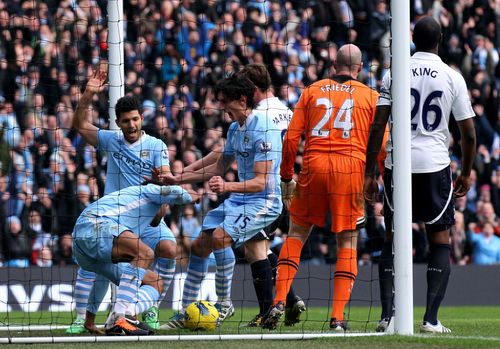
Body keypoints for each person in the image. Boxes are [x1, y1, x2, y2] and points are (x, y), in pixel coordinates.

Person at [363, 16, 476, 334]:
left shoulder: (394, 72)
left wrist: (371, 171)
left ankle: (388, 317)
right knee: (440, 238)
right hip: (435, 166)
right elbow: (467, 133)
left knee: (392, 237)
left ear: (412, 37)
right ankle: (430, 319)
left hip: (397, 165)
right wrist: (466, 172)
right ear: (440, 38)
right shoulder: (452, 77)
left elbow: (378, 125)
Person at [261, 44, 379, 331]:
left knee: (296, 234)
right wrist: (374, 177)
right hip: (350, 169)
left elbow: (290, 138)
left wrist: (287, 174)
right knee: (347, 243)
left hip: (314, 166)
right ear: (359, 68)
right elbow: (381, 143)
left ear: (333, 65)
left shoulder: (312, 90)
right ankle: (337, 317)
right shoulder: (370, 96)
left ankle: (278, 300)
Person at [180, 63, 306, 328]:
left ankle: (269, 307)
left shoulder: (259, 118)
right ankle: (288, 299)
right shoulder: (285, 111)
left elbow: (227, 156)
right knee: (258, 248)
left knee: (255, 249)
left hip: (262, 191)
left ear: (249, 92)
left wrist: (203, 176)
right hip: (283, 185)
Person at [161, 74, 283, 329]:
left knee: (220, 237)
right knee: (199, 246)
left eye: (225, 101)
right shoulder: (235, 129)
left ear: (242, 99)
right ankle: (186, 310)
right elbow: (217, 166)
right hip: (240, 199)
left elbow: (262, 182)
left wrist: (227, 185)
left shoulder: (263, 127)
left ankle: (225, 304)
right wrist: (179, 178)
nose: (221, 107)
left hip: (265, 201)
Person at [68, 62, 174, 333]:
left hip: (146, 218)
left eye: (135, 119)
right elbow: (79, 124)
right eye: (126, 121)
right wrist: (90, 92)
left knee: (170, 249)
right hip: (113, 218)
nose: (131, 124)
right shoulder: (111, 141)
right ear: (118, 123)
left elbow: (164, 182)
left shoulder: (156, 146)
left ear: (142, 118)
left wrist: (161, 206)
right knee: (95, 265)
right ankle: (83, 319)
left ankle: (144, 310)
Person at [72, 182, 196, 335]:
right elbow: (176, 192)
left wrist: (89, 321)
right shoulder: (149, 190)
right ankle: (120, 316)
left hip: (85, 250)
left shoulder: (137, 217)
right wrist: (192, 195)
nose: (165, 211)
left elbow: (100, 275)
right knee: (145, 254)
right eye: (166, 206)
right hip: (94, 223)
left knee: (155, 282)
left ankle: (119, 317)